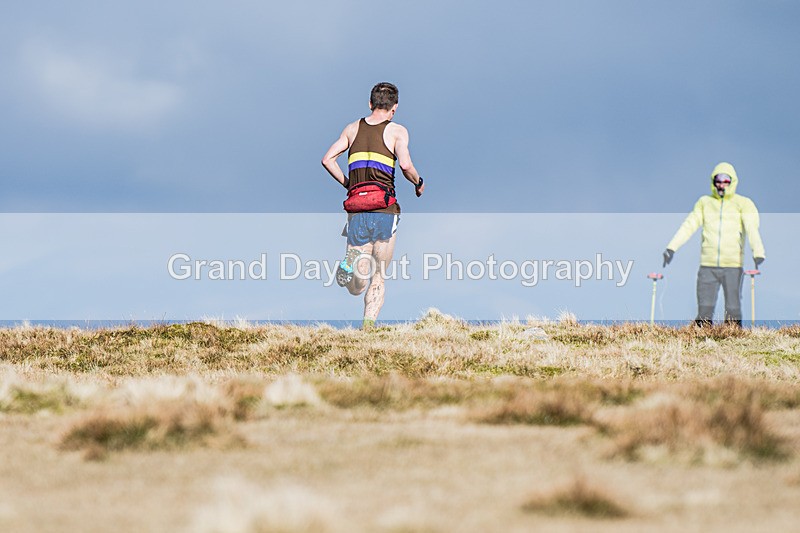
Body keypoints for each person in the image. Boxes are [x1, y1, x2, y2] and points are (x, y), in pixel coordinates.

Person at [321, 82, 425, 329]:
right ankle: (367, 327)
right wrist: (418, 183)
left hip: (357, 209)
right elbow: (406, 166)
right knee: (378, 275)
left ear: (370, 103)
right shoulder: (397, 131)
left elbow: (327, 160)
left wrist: (350, 185)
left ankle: (350, 262)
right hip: (384, 210)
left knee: (356, 285)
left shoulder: (352, 129)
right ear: (394, 108)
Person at [662, 162, 765, 327]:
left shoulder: (743, 204)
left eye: (726, 180)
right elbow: (688, 225)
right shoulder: (704, 203)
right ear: (713, 182)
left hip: (733, 264)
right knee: (705, 308)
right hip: (708, 265)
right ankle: (702, 341)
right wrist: (671, 248)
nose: (721, 184)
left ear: (732, 182)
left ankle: (732, 338)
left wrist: (758, 252)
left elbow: (752, 228)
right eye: (718, 180)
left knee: (733, 307)